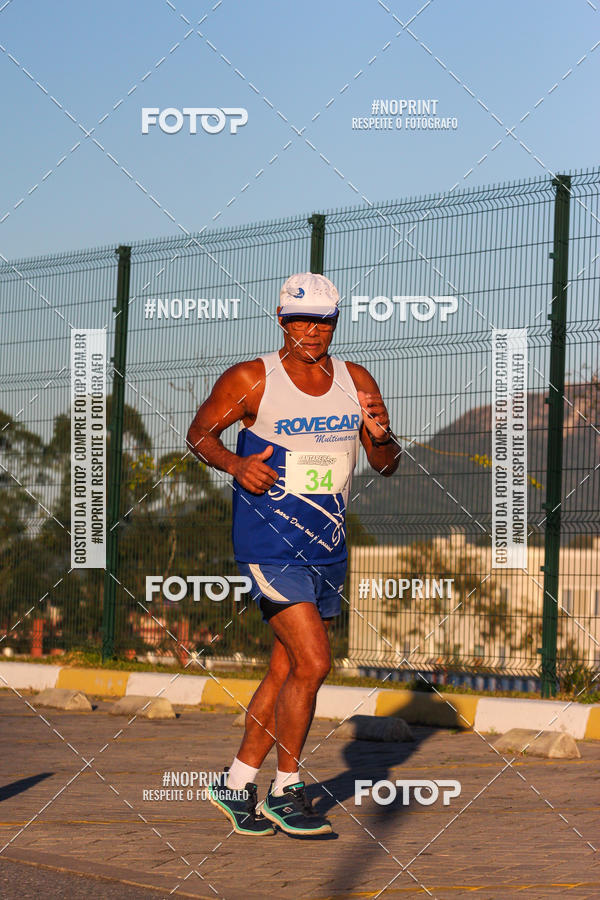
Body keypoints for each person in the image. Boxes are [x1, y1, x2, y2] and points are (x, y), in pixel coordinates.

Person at [186, 272, 400, 836]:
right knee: (314, 662)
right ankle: (288, 788)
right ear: (282, 319)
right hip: (268, 540)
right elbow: (199, 433)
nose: (313, 330)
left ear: (335, 324)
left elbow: (386, 464)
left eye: (324, 321)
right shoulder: (253, 378)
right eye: (302, 319)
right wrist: (235, 465)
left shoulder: (355, 381)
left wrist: (379, 433)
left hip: (327, 542)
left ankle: (235, 782)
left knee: (285, 668)